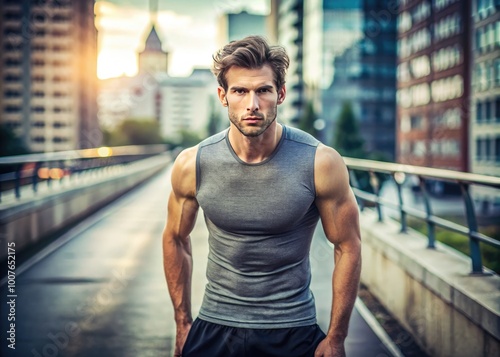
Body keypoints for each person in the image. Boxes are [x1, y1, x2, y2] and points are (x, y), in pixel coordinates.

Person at [163, 35, 361, 357]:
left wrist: (336, 337)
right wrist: (182, 323)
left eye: (263, 90)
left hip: (292, 329)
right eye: (240, 91)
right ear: (223, 96)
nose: (252, 104)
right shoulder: (192, 163)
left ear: (280, 94)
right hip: (214, 326)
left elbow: (348, 245)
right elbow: (174, 238)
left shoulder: (320, 162)